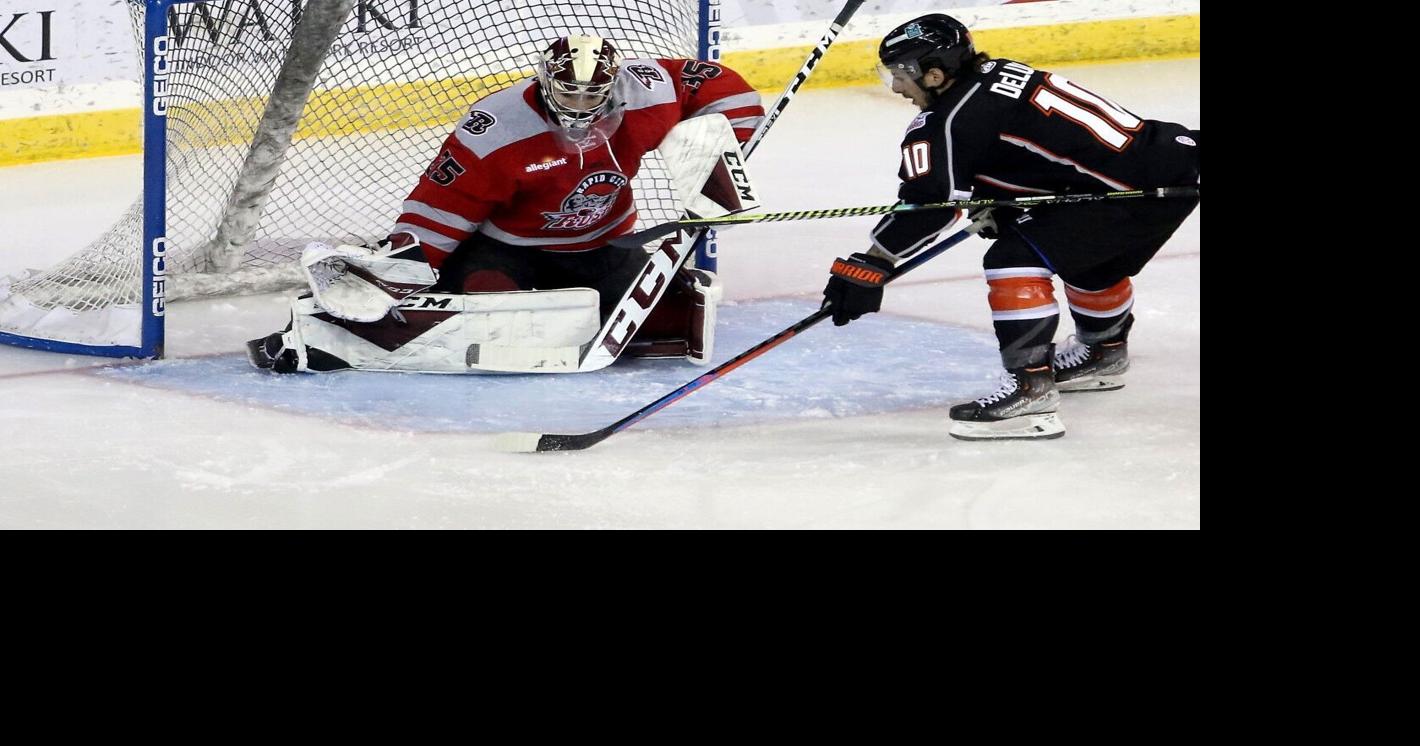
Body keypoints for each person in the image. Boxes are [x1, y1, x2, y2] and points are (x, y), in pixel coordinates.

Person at [249, 33, 765, 373]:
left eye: (594, 96)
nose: (582, 108)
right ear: (545, 84)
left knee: (675, 313)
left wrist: (722, 153)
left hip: (604, 241)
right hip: (506, 249)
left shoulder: (647, 93)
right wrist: (402, 267)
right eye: (569, 94)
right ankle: (336, 335)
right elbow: (441, 208)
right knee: (487, 302)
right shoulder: (495, 128)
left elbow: (725, 89)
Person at [820, 14, 1199, 440]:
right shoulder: (999, 71)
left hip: (1129, 194)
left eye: (901, 75)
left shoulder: (945, 123)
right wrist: (1003, 199)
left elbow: (931, 206)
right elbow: (1036, 147)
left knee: (1013, 258)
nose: (895, 87)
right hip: (1170, 165)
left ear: (935, 73)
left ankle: (1030, 391)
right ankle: (1103, 351)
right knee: (1087, 258)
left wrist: (872, 263)